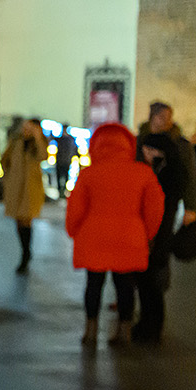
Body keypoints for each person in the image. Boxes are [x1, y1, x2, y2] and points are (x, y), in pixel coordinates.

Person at [66, 123, 162, 346]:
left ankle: (90, 331)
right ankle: (124, 331)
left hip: (94, 236)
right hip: (129, 237)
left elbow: (75, 208)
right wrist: (147, 233)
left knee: (93, 285)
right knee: (125, 286)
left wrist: (74, 231)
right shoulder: (142, 173)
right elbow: (155, 207)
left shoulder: (89, 174)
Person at [133, 101, 196, 344]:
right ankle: (147, 322)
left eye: (168, 118)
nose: (166, 122)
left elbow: (187, 179)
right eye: (162, 117)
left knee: (153, 272)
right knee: (145, 272)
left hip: (159, 224)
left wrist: (190, 208)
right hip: (143, 221)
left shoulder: (176, 149)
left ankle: (152, 325)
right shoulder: (141, 141)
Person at [1, 117, 47, 274]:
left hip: (30, 188)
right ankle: (25, 251)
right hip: (15, 187)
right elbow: (5, 159)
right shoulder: (16, 141)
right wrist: (7, 177)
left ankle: (26, 253)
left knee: (26, 219)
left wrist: (38, 137)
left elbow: (43, 156)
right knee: (18, 220)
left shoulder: (39, 143)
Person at [54, 126, 77, 198]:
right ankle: (60, 192)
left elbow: (74, 150)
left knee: (65, 177)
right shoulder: (60, 139)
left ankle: (64, 192)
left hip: (66, 161)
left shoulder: (70, 139)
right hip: (60, 161)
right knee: (59, 177)